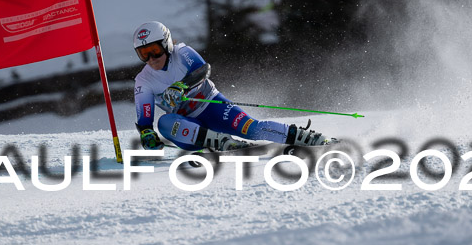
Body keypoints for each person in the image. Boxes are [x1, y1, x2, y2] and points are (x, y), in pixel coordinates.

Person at [132, 21, 330, 151]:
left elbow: (202, 70)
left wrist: (181, 86)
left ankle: (307, 138)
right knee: (165, 123)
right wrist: (147, 135)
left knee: (252, 129)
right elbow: (145, 120)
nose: (150, 59)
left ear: (166, 44)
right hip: (188, 127)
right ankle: (220, 142)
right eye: (143, 54)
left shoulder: (181, 52)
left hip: (213, 106)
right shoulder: (143, 81)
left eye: (155, 51)